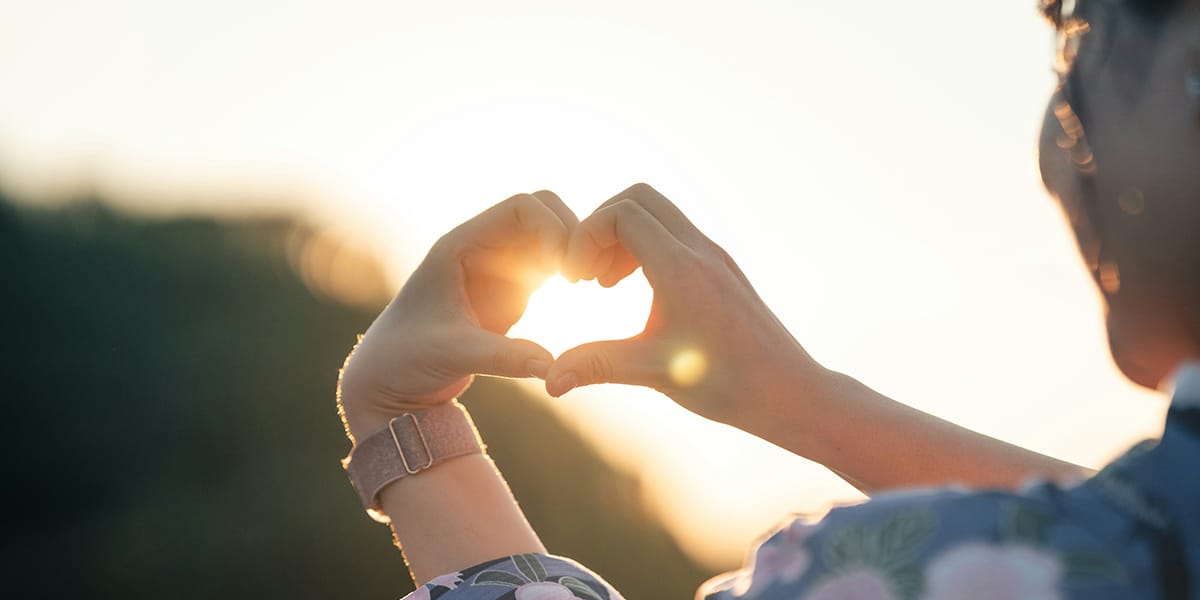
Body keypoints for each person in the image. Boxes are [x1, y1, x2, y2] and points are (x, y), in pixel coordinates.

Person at [334, 0, 1200, 597]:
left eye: (1075, 45)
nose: (1055, 144)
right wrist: (805, 400)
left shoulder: (863, 575)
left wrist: (404, 421)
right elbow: (1136, 529)